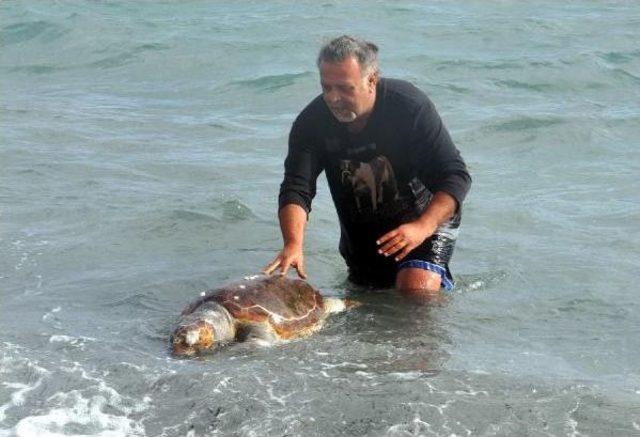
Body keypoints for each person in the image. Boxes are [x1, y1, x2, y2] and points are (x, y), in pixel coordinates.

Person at [263, 35, 471, 296]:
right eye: (326, 87)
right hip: (363, 239)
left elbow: (456, 176)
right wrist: (293, 244)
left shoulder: (408, 106)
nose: (333, 98)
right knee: (369, 314)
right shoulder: (311, 123)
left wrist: (422, 227)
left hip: (423, 223)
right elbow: (297, 187)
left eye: (345, 88)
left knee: (415, 293)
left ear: (372, 80)